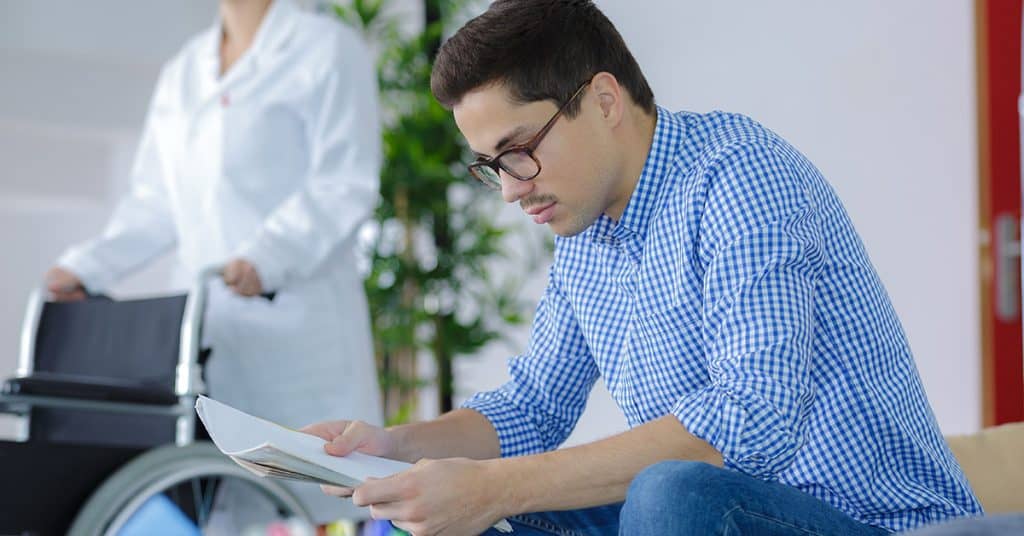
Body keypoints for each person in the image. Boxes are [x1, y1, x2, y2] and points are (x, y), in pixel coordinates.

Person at [302, 0, 982, 534]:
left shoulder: (738, 177)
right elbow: (531, 408)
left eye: (517, 151)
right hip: (717, 520)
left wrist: (496, 486)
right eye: (490, 167)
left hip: (870, 523)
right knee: (463, 518)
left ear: (603, 101)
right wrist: (394, 444)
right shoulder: (584, 233)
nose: (509, 189)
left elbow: (751, 420)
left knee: (665, 488)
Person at [45, 0, 382, 525]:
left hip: (295, 325)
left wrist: (267, 256)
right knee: (216, 498)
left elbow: (346, 180)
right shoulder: (184, 69)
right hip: (207, 330)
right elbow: (157, 202)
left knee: (315, 497)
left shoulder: (326, 48)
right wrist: (89, 266)